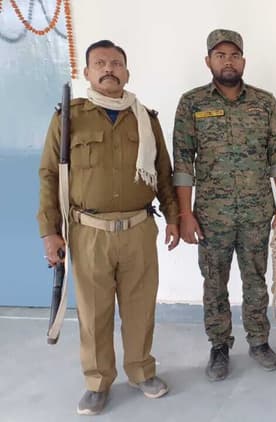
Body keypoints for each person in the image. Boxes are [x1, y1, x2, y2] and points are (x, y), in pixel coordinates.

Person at [37, 40, 179, 415]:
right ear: (87, 73)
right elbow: (49, 175)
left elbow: (163, 173)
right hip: (89, 232)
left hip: (138, 229)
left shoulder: (145, 118)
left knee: (139, 308)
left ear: (126, 72)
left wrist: (174, 217)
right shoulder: (69, 117)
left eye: (116, 63)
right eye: (100, 63)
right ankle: (98, 381)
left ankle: (141, 370)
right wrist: (50, 230)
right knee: (94, 312)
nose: (108, 69)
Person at [172, 29, 276, 381]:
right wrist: (185, 213)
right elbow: (183, 163)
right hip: (212, 216)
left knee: (256, 280)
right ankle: (219, 346)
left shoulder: (264, 103)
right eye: (220, 55)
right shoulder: (192, 103)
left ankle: (259, 341)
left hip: (256, 212)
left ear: (243, 61)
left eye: (234, 55)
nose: (228, 61)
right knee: (214, 283)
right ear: (208, 61)